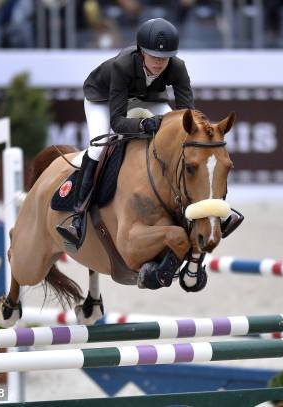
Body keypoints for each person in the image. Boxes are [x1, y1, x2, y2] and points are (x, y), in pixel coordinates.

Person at [56, 17, 195, 248]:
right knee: (98, 149)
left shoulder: (177, 67)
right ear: (141, 52)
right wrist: (143, 126)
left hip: (147, 98)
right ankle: (77, 217)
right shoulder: (123, 65)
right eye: (154, 57)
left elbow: (187, 115)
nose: (160, 63)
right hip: (101, 98)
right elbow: (118, 122)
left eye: (165, 58)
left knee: (180, 135)